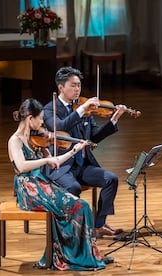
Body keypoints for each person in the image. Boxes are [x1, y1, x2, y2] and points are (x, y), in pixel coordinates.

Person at [8, 98, 113, 270]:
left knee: (82, 206)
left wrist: (74, 150)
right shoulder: (15, 140)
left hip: (41, 185)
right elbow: (21, 166)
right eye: (40, 118)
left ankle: (87, 254)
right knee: (77, 206)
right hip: (28, 190)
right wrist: (45, 160)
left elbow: (55, 162)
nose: (43, 122)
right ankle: (74, 255)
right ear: (30, 119)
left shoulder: (34, 139)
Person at [43, 66, 126, 237]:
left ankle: (98, 225)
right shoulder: (50, 109)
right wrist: (82, 109)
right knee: (73, 187)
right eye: (73, 85)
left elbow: (93, 138)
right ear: (61, 87)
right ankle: (70, 230)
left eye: (79, 85)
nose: (77, 89)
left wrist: (113, 120)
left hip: (82, 165)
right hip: (60, 166)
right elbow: (61, 126)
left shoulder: (84, 109)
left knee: (111, 179)